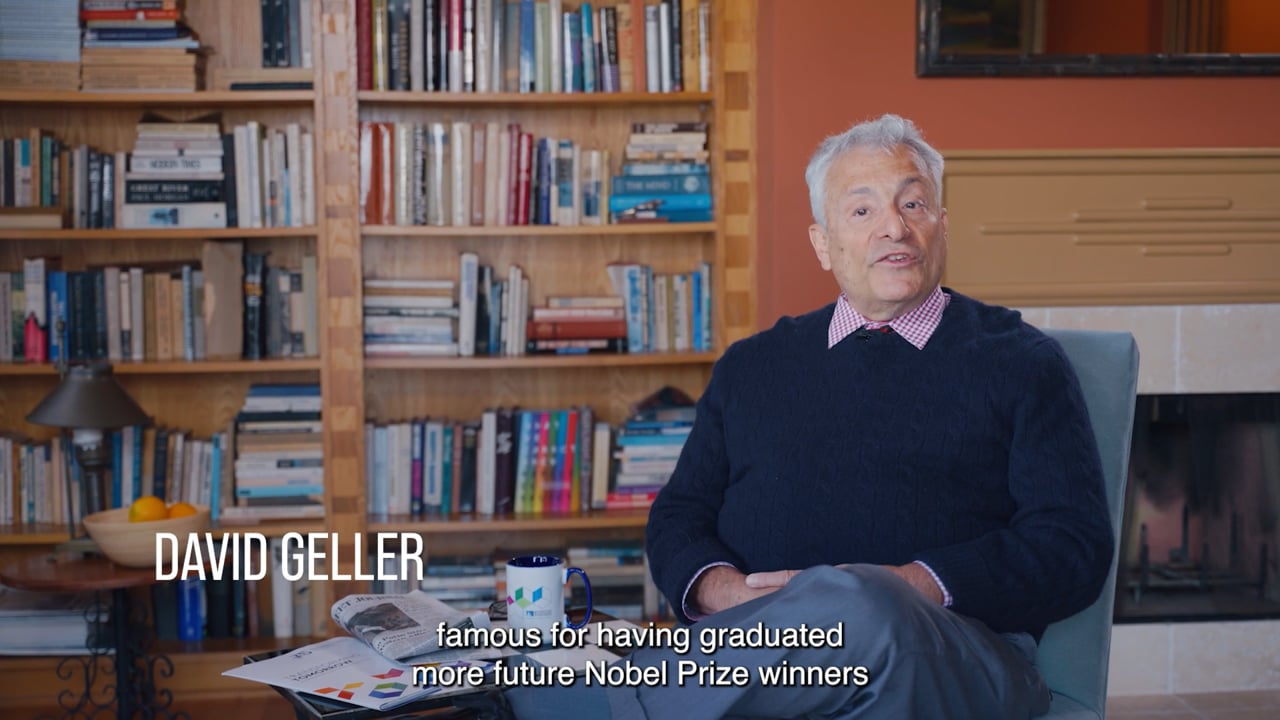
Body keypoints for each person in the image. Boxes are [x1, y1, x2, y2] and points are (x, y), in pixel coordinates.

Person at [503, 114, 1114, 719]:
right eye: (862, 210)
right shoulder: (753, 366)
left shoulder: (1021, 362)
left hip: (958, 652)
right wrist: (729, 595)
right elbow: (679, 517)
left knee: (866, 604)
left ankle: (597, 705)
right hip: (761, 656)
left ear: (942, 227)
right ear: (823, 244)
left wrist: (909, 584)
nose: (894, 228)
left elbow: (1072, 545)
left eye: (913, 204)